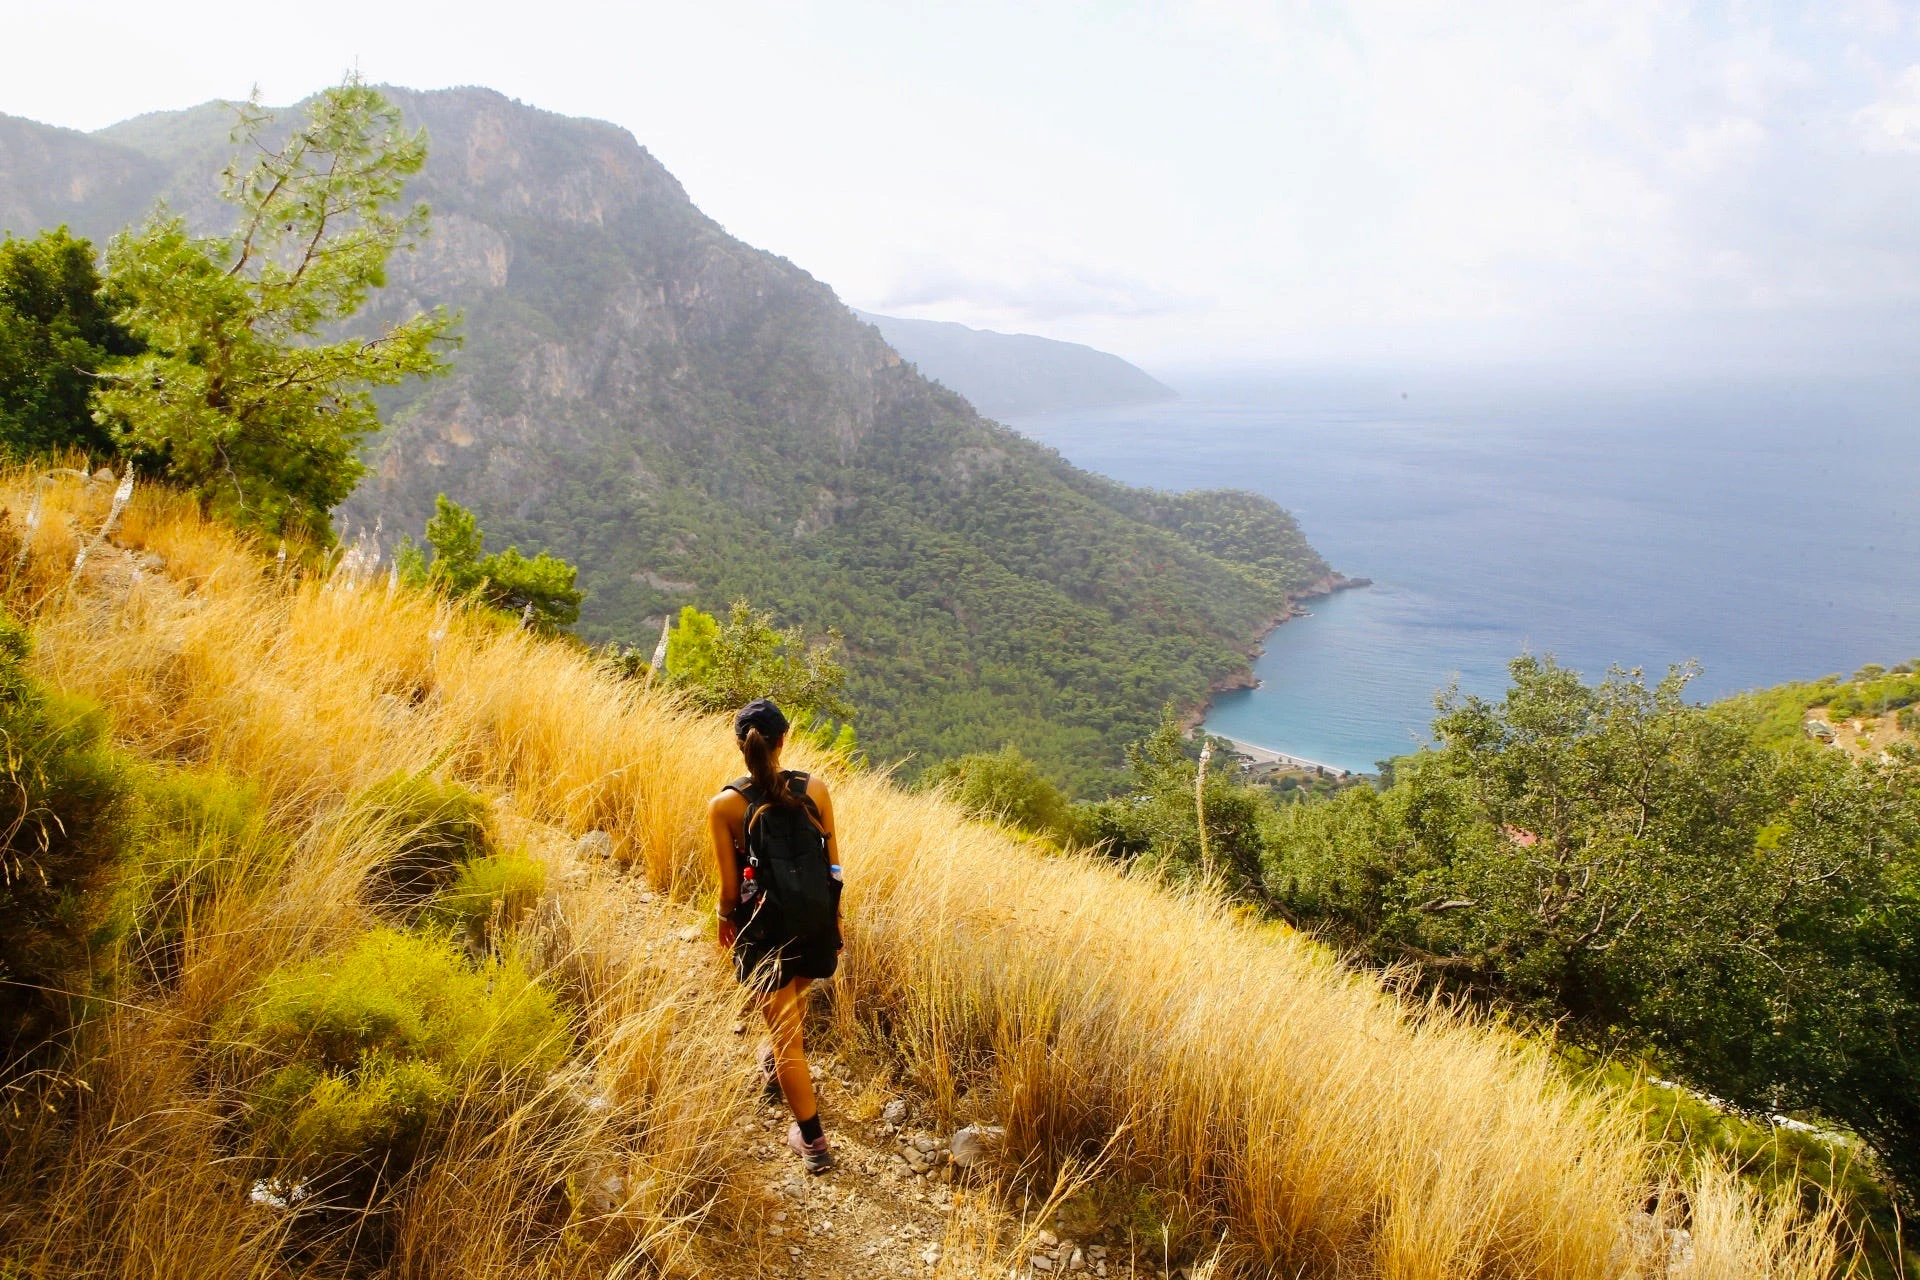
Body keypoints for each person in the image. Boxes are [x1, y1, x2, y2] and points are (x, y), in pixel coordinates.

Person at [708, 697, 843, 1173]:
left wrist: (725, 922)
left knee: (789, 1039)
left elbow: (730, 891)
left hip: (768, 930)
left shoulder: (726, 805)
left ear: (742, 747)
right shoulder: (816, 788)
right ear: (783, 740)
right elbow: (834, 867)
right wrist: (833, 920)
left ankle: (813, 1142)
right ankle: (773, 1061)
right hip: (817, 923)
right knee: (789, 1011)